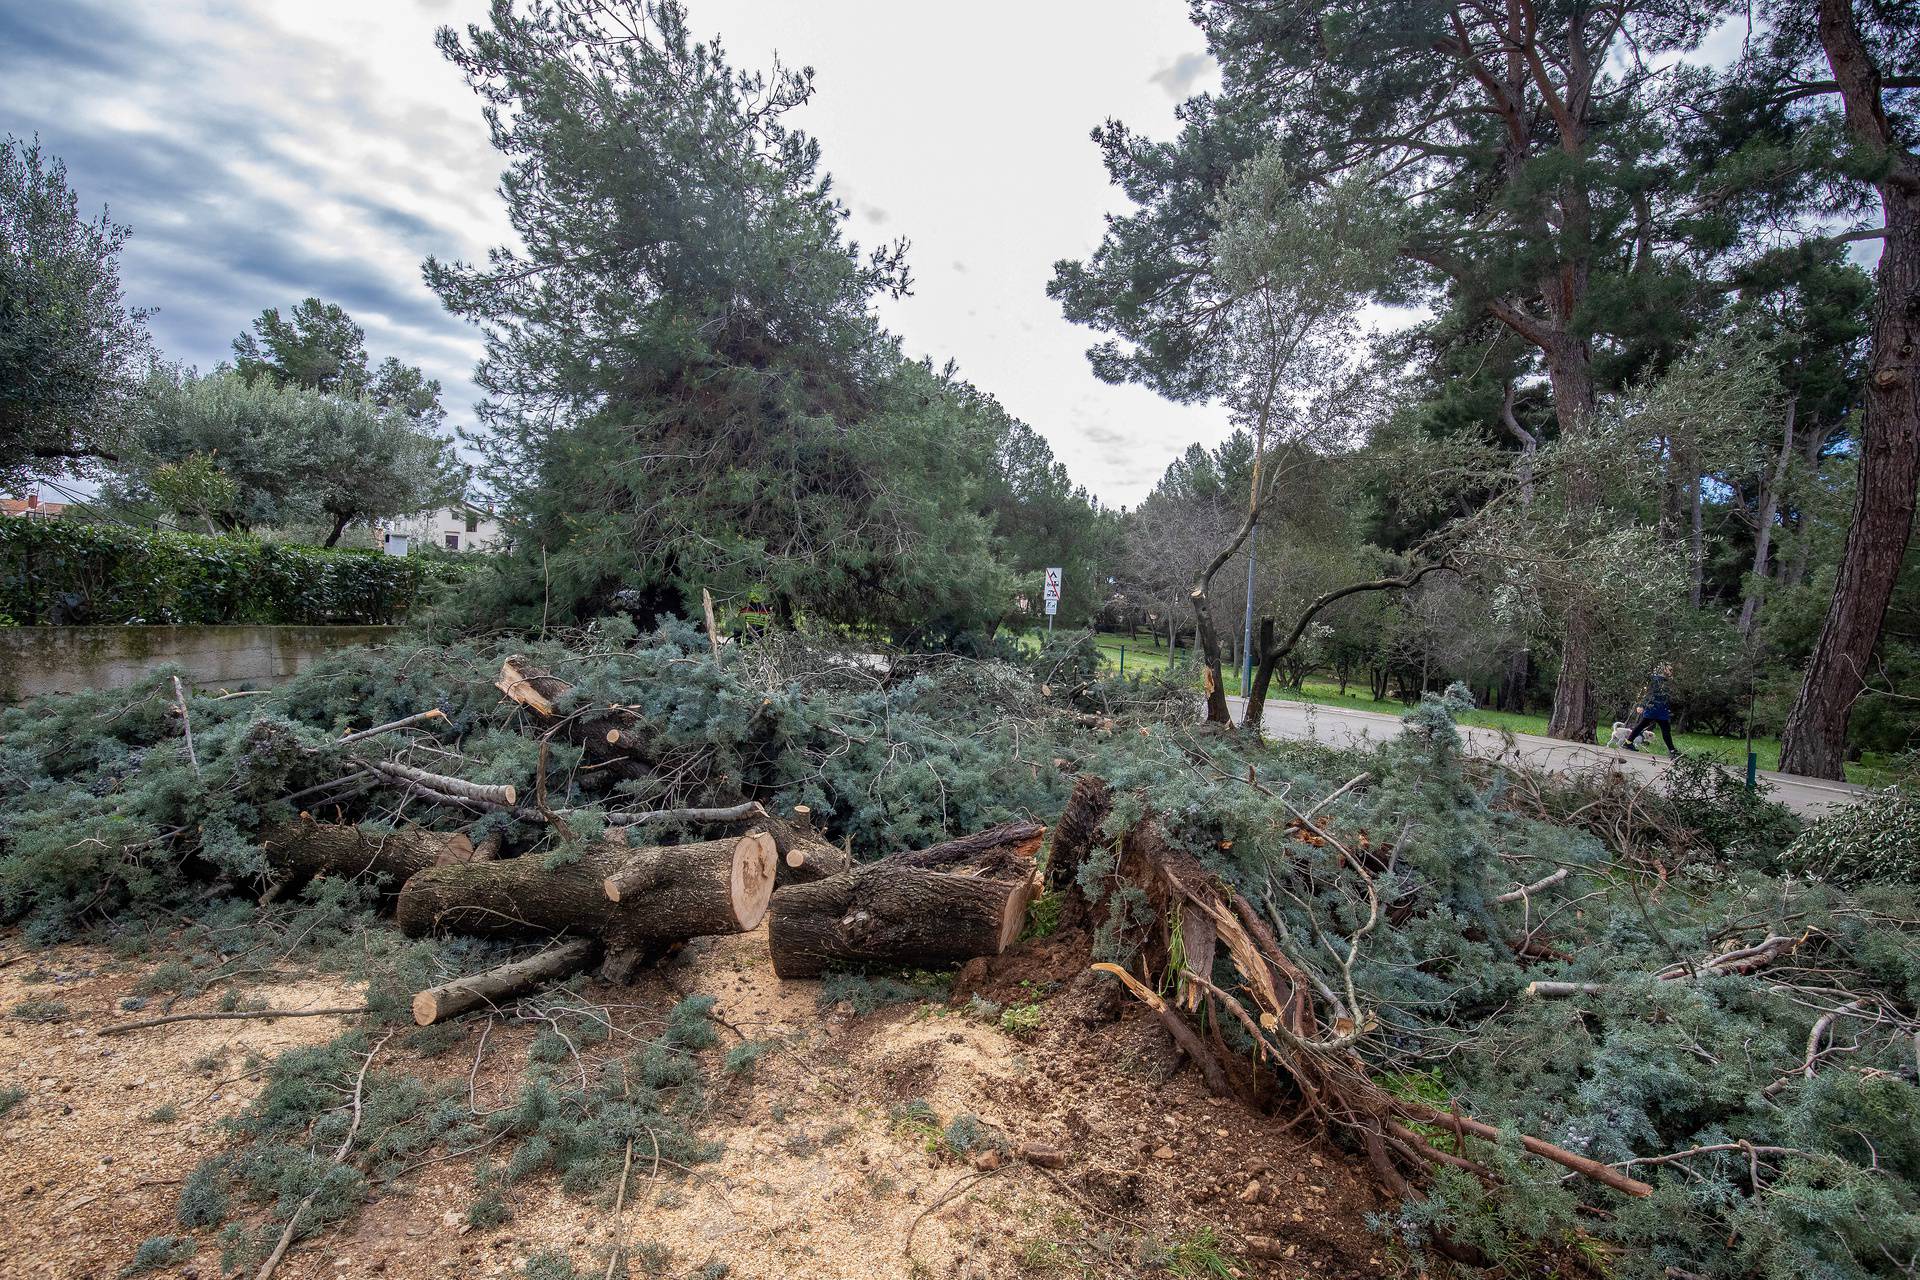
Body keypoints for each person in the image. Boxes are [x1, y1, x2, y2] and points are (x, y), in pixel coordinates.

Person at [1624, 663, 1677, 755]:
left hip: (1660, 709)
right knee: (1664, 729)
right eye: (1670, 670)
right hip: (1655, 708)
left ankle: (1628, 742)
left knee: (1643, 725)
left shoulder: (1663, 680)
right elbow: (1649, 693)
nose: (1671, 672)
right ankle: (1672, 750)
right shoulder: (1656, 680)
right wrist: (1642, 705)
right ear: (1663, 670)